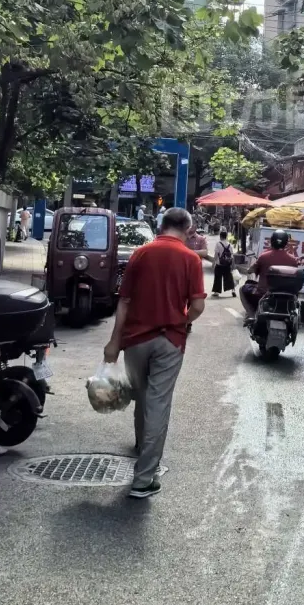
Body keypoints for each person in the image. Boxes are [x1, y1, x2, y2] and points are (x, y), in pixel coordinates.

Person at [102, 207, 206, 500]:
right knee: (158, 403)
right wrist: (180, 321)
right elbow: (198, 306)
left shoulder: (141, 253)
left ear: (162, 225)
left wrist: (114, 342)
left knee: (142, 395)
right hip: (170, 341)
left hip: (135, 340)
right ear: (188, 229)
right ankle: (144, 479)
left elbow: (124, 301)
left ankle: (141, 444)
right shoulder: (190, 259)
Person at [240, 229, 298, 318]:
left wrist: (249, 270)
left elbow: (251, 270)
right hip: (287, 295)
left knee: (243, 289)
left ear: (272, 241)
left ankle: (252, 315)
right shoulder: (293, 260)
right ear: (286, 243)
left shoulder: (264, 256)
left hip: (264, 293)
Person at [212, 229, 236, 297]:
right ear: (226, 236)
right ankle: (233, 290)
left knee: (217, 277)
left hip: (219, 264)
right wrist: (233, 264)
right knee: (229, 277)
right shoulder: (229, 244)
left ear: (220, 236)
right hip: (227, 264)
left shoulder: (218, 244)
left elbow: (216, 255)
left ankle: (216, 292)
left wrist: (213, 263)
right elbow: (232, 255)